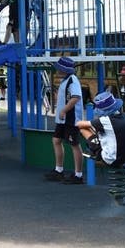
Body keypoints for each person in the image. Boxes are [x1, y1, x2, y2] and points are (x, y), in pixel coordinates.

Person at [44, 56, 84, 184]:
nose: (57, 71)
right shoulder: (66, 80)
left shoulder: (72, 80)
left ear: (64, 70)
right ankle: (59, 170)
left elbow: (76, 97)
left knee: (74, 144)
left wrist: (64, 110)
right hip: (63, 119)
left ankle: (78, 175)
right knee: (56, 140)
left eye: (60, 69)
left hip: (71, 118)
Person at [77, 91, 125, 167]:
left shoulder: (105, 121)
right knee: (96, 130)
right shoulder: (124, 116)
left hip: (111, 159)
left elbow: (79, 124)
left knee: (83, 129)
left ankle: (93, 152)